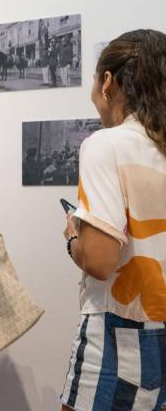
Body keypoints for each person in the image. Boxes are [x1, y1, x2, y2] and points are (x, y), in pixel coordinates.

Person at [60, 29, 166, 411]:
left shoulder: (107, 144)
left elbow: (101, 261)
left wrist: (73, 236)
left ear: (108, 82)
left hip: (119, 334)